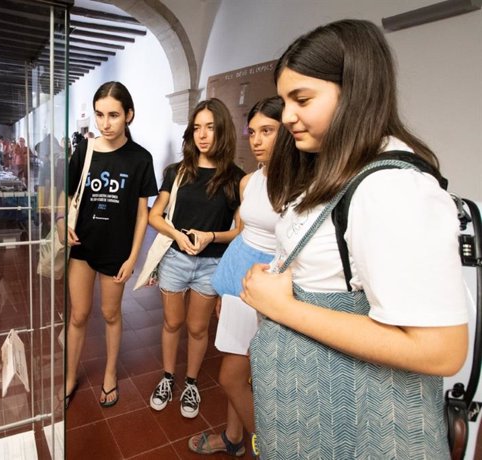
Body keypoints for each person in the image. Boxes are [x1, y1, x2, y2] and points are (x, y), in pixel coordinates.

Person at [241, 19, 468, 458]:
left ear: (355, 90)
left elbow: (440, 350)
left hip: (355, 426)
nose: (286, 116)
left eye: (301, 99)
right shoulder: (341, 167)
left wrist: (282, 306)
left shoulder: (392, 188)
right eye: (285, 100)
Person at [188, 96, 283, 457]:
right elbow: (244, 235)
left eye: (268, 131)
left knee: (235, 375)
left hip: (269, 287)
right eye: (253, 131)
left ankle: (271, 448)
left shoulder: (299, 186)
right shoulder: (250, 182)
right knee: (236, 373)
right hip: (238, 281)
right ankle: (233, 438)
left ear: (286, 133)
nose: (257, 140)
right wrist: (225, 291)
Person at [62, 81, 158, 408]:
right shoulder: (84, 151)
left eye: (114, 115)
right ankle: (71, 375)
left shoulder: (140, 159)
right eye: (100, 114)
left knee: (110, 313)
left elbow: (143, 215)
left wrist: (134, 258)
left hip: (117, 250)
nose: (105, 123)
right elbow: (67, 195)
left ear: (128, 115)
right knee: (78, 315)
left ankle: (110, 373)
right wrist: (62, 223)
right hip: (83, 247)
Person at [149, 98, 245, 419]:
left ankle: (190, 382)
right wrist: (177, 234)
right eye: (197, 127)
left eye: (211, 127)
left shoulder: (235, 178)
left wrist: (211, 237)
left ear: (223, 132)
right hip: (175, 259)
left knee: (197, 327)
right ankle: (167, 377)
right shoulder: (177, 172)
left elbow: (240, 231)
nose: (203, 135)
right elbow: (154, 216)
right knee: (172, 322)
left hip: (211, 263)